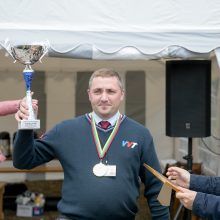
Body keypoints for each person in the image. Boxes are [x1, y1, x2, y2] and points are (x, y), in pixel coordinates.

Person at [14, 68, 170, 220]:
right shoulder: (65, 130)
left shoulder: (140, 134)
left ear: (122, 95)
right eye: (97, 91)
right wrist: (26, 126)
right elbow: (23, 161)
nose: (103, 97)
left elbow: (160, 186)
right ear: (89, 94)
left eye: (110, 91)